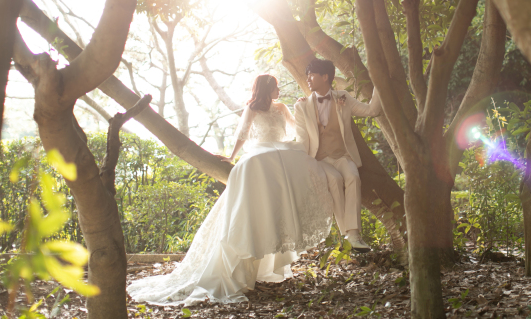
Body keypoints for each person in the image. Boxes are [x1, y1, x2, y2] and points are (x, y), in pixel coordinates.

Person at [127, 74, 333, 306]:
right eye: (276, 87)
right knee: (256, 206)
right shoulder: (252, 109)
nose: (279, 91)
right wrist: (232, 156)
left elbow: (297, 128)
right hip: (260, 156)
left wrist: (305, 109)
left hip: (280, 155)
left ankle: (268, 258)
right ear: (267, 89)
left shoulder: (282, 107)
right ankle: (240, 267)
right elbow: (243, 134)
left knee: (278, 203)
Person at [294, 58, 381, 253]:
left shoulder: (343, 97)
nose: (308, 79)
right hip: (320, 158)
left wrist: (380, 86)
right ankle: (349, 233)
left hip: (342, 155)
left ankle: (353, 235)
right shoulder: (301, 106)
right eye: (307, 75)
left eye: (312, 75)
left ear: (325, 77)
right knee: (334, 180)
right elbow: (301, 138)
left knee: (353, 177)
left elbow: (372, 110)